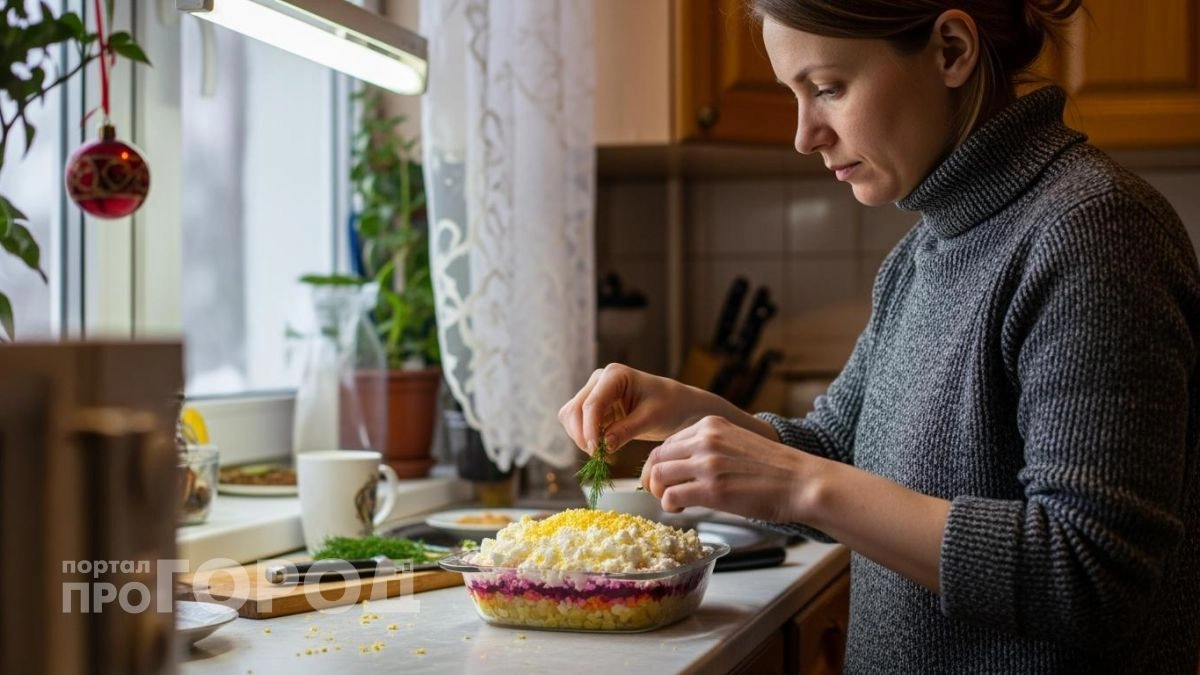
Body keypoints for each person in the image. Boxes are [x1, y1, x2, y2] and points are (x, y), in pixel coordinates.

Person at [559, 1, 1200, 672]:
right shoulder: (923, 252)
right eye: (793, 94)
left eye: (828, 88)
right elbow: (838, 450)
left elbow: (1089, 575)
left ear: (951, 50)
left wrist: (802, 485)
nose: (805, 134)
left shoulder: (1094, 232)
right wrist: (688, 410)